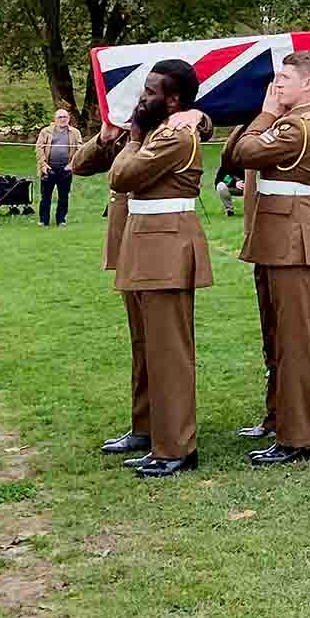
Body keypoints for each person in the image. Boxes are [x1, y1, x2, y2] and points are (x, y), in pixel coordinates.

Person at [222, 51, 310, 466]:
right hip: (278, 238)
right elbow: (237, 149)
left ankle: (297, 438)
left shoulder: (299, 127)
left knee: (296, 342)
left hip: (296, 242)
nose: (276, 85)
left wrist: (264, 113)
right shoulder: (303, 121)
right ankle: (278, 417)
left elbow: (242, 155)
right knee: (276, 338)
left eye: (284, 79)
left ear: (309, 86)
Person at [71, 93, 209, 463]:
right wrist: (104, 137)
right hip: (128, 247)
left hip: (154, 247)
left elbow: (204, 127)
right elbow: (79, 164)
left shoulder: (172, 130)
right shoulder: (131, 131)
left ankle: (169, 433)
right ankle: (145, 426)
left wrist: (199, 115)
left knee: (163, 344)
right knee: (142, 343)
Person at [105, 59, 213, 477]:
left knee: (170, 353)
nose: (141, 98)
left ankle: (176, 448)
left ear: (174, 99)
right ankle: (152, 431)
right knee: (147, 348)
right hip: (147, 246)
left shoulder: (173, 135)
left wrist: (132, 139)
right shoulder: (162, 129)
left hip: (166, 250)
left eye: (150, 92)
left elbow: (123, 175)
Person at [36, 109, 83, 226]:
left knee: (63, 197)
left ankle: (61, 220)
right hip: (48, 168)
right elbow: (39, 148)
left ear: (69, 118)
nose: (63, 119)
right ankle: (43, 220)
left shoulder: (75, 132)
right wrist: (43, 165)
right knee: (45, 196)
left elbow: (79, 149)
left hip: (66, 169)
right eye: (60, 117)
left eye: (65, 117)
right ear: (55, 119)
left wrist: (72, 165)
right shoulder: (45, 131)